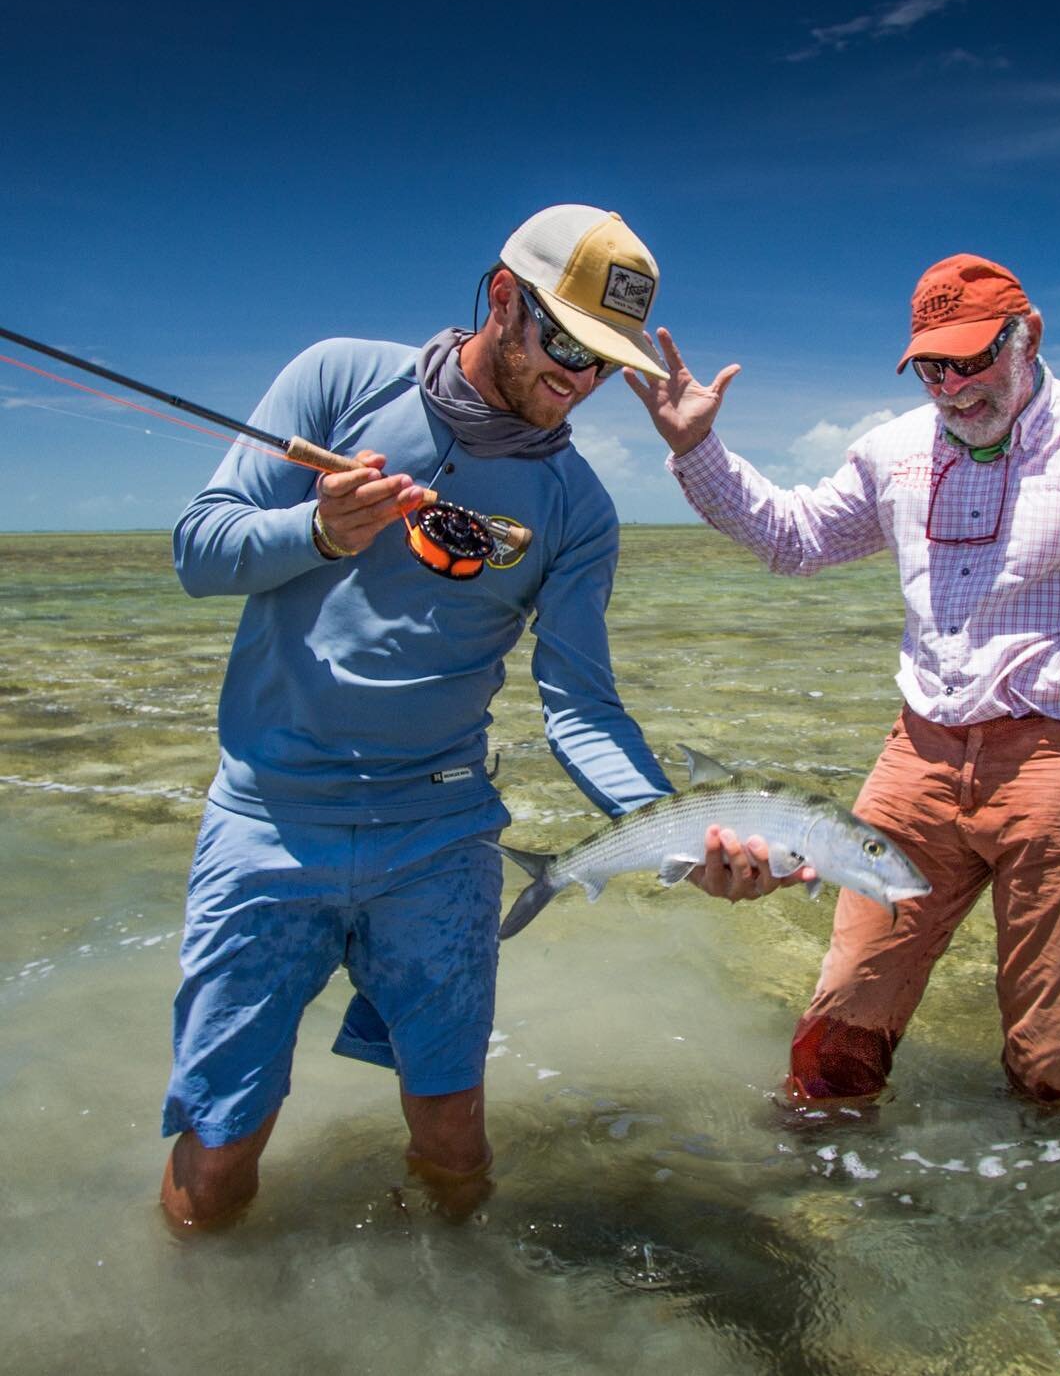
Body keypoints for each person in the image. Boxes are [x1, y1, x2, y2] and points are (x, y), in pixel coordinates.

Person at [161, 204, 803, 1229]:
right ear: (504, 297)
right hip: (267, 820)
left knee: (456, 1132)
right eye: (565, 343)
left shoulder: (579, 507)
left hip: (443, 833)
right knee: (221, 1139)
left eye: (603, 362)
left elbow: (581, 706)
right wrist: (315, 531)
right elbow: (200, 550)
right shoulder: (335, 378)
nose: (579, 382)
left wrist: (686, 835)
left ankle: (465, 1311)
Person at [627, 253, 1060, 1108]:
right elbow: (794, 539)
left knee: (1052, 1060)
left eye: (974, 359)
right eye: (933, 365)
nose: (954, 386)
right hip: (917, 761)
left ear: (1028, 335)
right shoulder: (893, 450)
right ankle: (824, 1201)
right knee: (835, 1036)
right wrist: (697, 448)